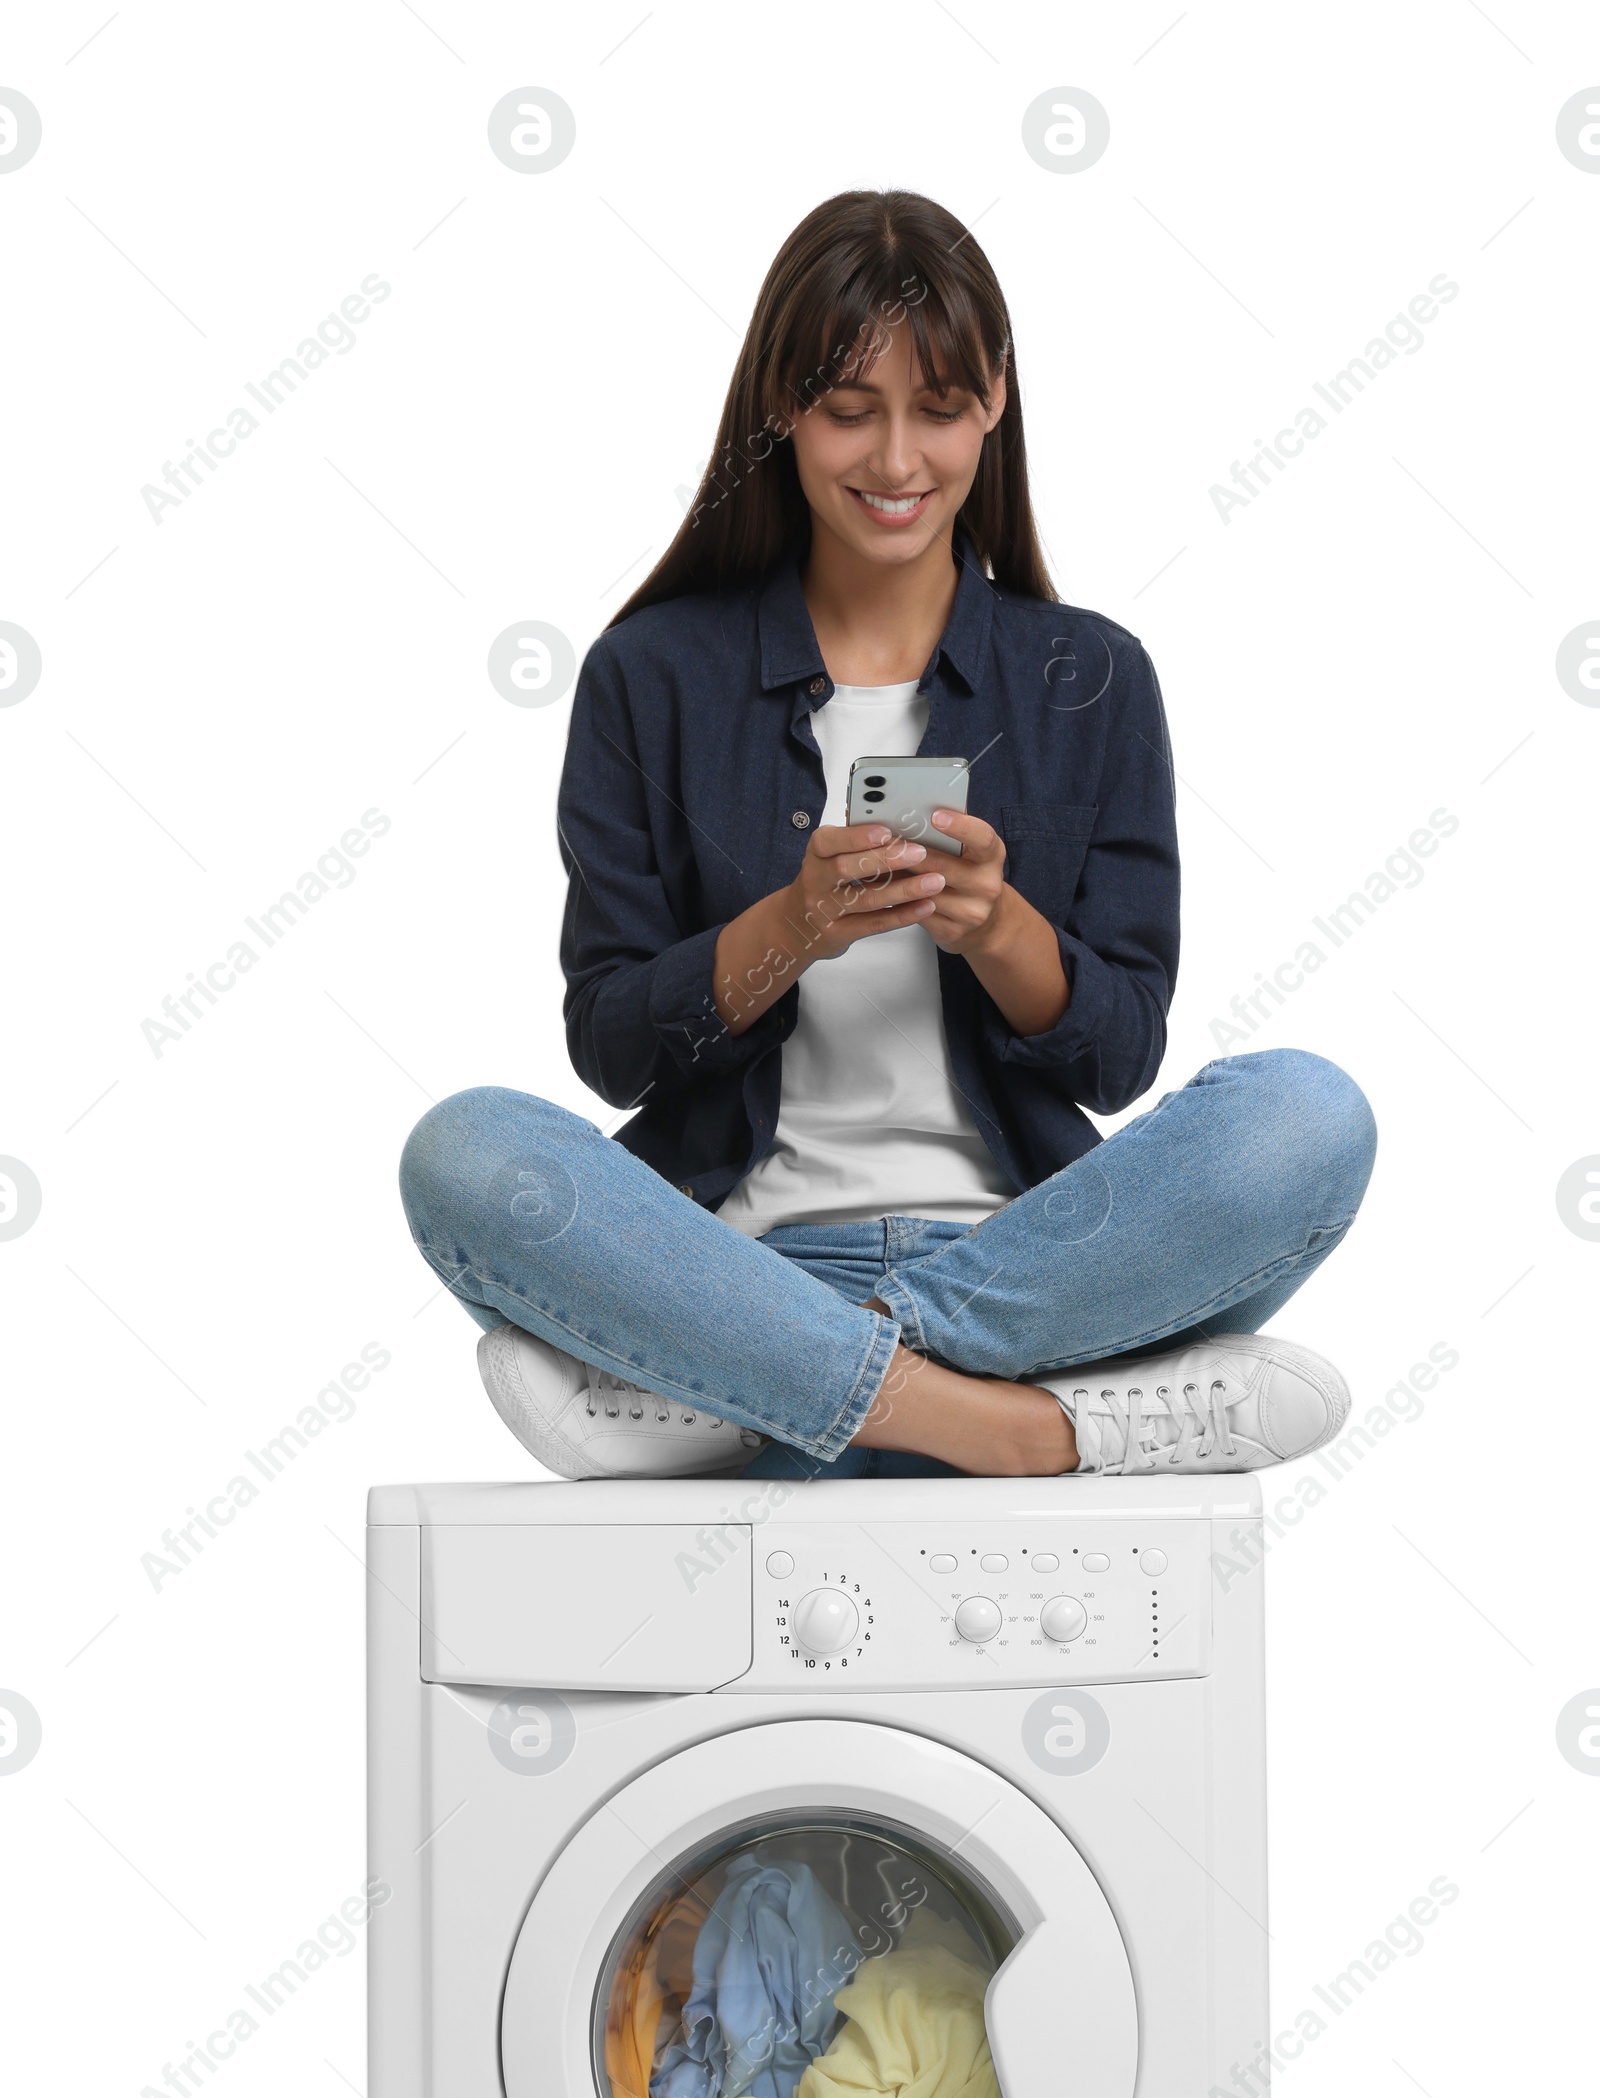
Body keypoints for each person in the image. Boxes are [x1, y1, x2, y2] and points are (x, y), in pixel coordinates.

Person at [400, 189, 1376, 1482]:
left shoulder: (1092, 674)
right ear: (782, 410)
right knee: (465, 1153)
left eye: (939, 408)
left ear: (997, 402)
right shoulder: (652, 673)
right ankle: (1010, 1428)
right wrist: (791, 930)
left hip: (1031, 1265)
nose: (897, 460)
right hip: (731, 1260)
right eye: (850, 410)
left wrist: (1005, 930)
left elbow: (1121, 1052)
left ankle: (746, 1395)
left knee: (1310, 1115)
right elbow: (616, 1049)